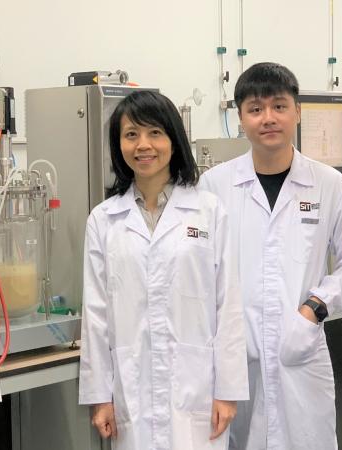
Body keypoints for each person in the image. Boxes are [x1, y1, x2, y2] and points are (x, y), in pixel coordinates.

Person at [199, 62, 342, 449]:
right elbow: (200, 270)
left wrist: (316, 307)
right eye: (256, 109)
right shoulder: (215, 186)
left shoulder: (330, 185)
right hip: (235, 357)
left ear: (297, 112)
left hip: (300, 353)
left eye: (279, 106)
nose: (268, 118)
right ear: (240, 118)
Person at [78, 90, 248, 450]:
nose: (143, 145)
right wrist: (99, 395)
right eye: (131, 135)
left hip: (197, 387)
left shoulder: (209, 211)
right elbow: (96, 314)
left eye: (155, 132)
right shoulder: (104, 219)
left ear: (173, 139)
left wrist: (228, 391)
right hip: (131, 385)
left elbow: (228, 304)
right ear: (118, 145)